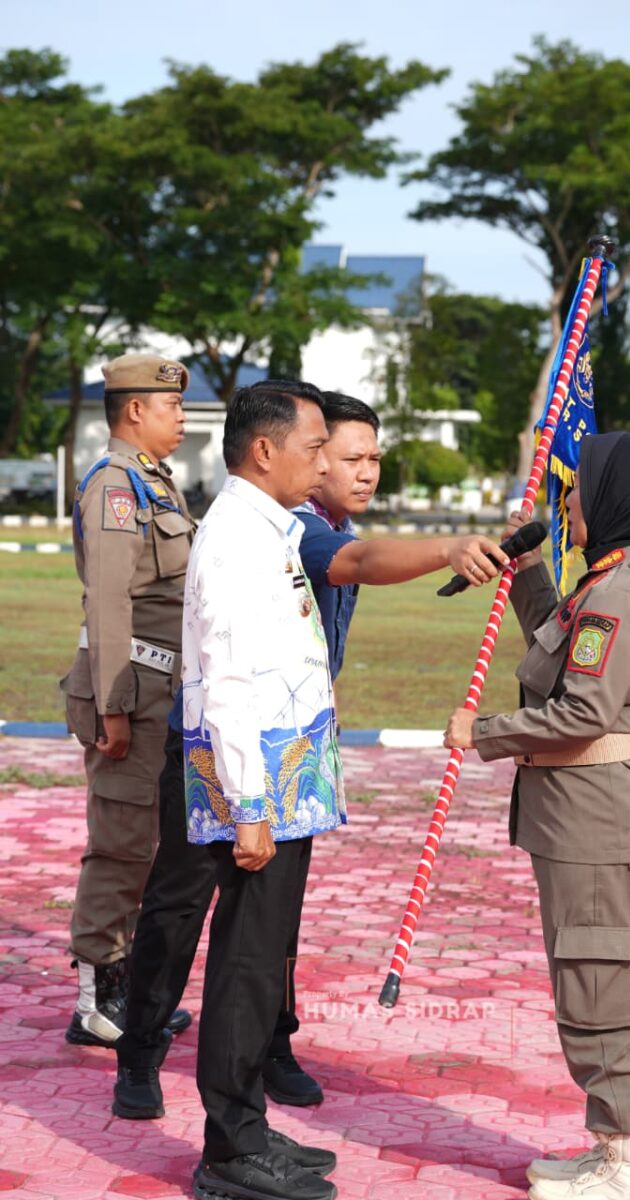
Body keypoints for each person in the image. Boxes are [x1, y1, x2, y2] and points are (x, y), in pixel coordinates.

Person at [112, 388, 508, 1121]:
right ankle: (141, 1050)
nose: (356, 470)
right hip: (226, 752)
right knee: (182, 905)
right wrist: (446, 549)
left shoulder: (297, 523)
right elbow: (356, 563)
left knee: (271, 923)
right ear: (279, 453)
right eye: (337, 453)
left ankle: (268, 1050)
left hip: (284, 751)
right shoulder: (292, 530)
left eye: (369, 458)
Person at [445, 432, 630, 1200]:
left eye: (581, 487)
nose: (569, 499)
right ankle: (614, 1148)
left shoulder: (619, 592)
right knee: (609, 984)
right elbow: (559, 657)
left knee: (600, 992)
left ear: (620, 499)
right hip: (602, 820)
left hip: (601, 824)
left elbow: (582, 712)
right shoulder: (616, 579)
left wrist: (483, 733)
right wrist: (528, 569)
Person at [179, 381, 344, 1200]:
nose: (326, 464)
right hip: (257, 790)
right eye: (314, 449)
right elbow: (228, 681)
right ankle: (230, 1150)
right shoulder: (235, 539)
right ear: (264, 450)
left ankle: (245, 1121)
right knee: (246, 962)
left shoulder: (268, 526)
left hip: (282, 782)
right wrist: (249, 805)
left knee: (261, 956)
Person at [61, 353, 194, 1048]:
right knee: (121, 845)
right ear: (136, 409)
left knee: (146, 844)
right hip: (130, 692)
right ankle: (97, 1001)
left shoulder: (155, 482)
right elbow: (108, 600)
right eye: (172, 406)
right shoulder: (116, 486)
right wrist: (113, 705)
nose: (182, 418)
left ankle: (132, 989)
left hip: (157, 689)